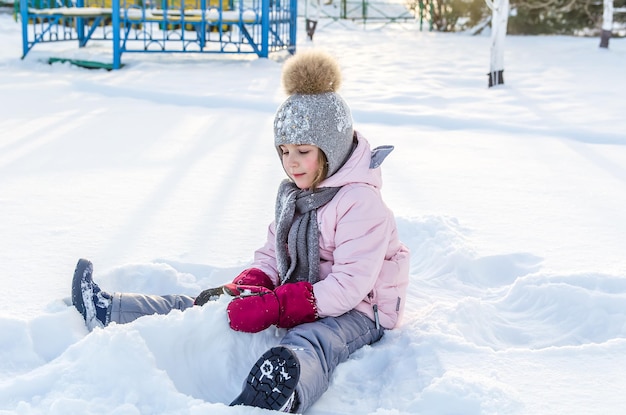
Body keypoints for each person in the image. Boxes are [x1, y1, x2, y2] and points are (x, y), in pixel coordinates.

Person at [71, 49, 410, 413]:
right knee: (211, 305)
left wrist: (276, 307)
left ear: (332, 149)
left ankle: (283, 388)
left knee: (313, 339)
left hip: (361, 309)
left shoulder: (360, 202)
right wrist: (249, 285)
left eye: (303, 151)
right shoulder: (295, 193)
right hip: (301, 291)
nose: (290, 162)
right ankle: (113, 309)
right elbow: (273, 252)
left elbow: (348, 288)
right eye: (283, 150)